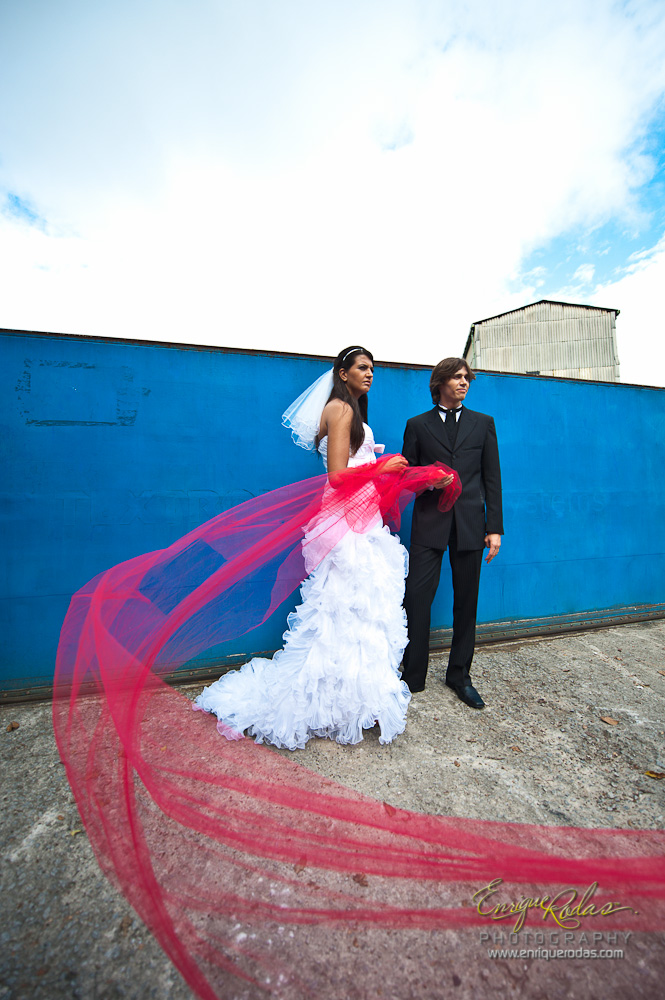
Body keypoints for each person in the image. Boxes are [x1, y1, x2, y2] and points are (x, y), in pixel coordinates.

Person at [194, 347, 458, 749]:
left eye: (373, 369)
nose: (370, 374)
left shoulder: (351, 411)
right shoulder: (341, 409)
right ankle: (326, 701)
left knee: (360, 609)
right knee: (341, 607)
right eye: (362, 368)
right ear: (343, 373)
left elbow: (359, 470)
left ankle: (352, 699)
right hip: (345, 523)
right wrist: (379, 466)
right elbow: (337, 477)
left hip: (362, 518)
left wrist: (410, 474)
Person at [400, 358, 503, 709]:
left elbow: (492, 479)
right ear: (440, 383)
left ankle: (459, 676)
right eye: (457, 377)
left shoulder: (483, 423)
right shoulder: (417, 425)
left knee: (466, 602)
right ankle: (413, 675)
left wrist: (494, 528)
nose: (464, 382)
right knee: (416, 597)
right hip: (430, 521)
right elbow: (407, 478)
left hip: (470, 524)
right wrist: (429, 481)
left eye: (466, 378)